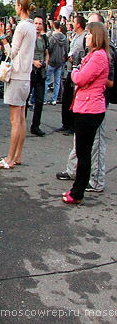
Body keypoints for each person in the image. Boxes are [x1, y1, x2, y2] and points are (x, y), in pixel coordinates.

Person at [62, 21, 110, 204]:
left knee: (84, 153)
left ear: (96, 36)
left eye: (89, 34)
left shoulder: (99, 56)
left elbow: (81, 78)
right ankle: (77, 189)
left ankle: (78, 192)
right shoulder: (94, 55)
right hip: (86, 106)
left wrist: (75, 72)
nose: (86, 37)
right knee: (82, 151)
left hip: (90, 109)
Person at [0, 0, 36, 169]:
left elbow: (11, 52)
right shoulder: (32, 27)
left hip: (17, 75)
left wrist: (2, 37)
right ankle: (17, 156)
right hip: (25, 76)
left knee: (15, 120)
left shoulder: (22, 27)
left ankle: (9, 159)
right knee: (21, 118)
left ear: (19, 7)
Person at [57, 15, 86, 135]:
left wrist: (77, 61)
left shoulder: (84, 37)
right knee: (67, 97)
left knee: (74, 98)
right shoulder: (75, 36)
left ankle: (73, 126)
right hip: (69, 70)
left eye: (74, 22)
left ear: (78, 24)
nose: (71, 24)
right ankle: (66, 123)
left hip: (77, 70)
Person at [27, 16, 49, 136]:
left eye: (40, 23)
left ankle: (36, 125)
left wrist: (46, 64)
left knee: (39, 101)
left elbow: (47, 53)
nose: (38, 26)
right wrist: (33, 61)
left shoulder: (44, 38)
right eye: (36, 23)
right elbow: (25, 53)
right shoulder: (30, 38)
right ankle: (21, 123)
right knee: (25, 99)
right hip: (31, 71)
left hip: (41, 73)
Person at [45, 20, 68, 104]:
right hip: (60, 61)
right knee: (57, 80)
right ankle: (54, 99)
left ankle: (44, 99)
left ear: (54, 26)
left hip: (52, 60)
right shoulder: (64, 38)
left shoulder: (52, 38)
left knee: (47, 80)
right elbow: (66, 49)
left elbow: (49, 49)